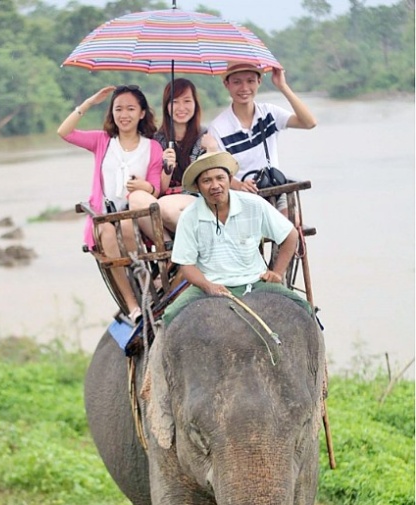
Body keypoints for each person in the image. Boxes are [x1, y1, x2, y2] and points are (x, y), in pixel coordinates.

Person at [162, 151, 312, 326]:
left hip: (255, 282)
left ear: (229, 178)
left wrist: (277, 273)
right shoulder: (189, 216)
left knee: (304, 309)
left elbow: (290, 235)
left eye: (220, 178)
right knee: (170, 316)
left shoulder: (254, 204)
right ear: (198, 186)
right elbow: (186, 265)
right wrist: (208, 286)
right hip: (211, 285)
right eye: (206, 181)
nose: (215, 185)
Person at [57, 85, 163, 323]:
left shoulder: (152, 147)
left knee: (126, 227)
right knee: (106, 230)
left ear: (142, 113)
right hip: (105, 216)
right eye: (118, 109)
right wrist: (88, 103)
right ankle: (131, 304)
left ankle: (147, 286)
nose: (124, 115)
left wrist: (144, 187)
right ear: (112, 113)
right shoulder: (102, 141)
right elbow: (64, 132)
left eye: (130, 109)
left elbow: (156, 188)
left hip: (133, 217)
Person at [207, 62, 317, 214]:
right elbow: (217, 172)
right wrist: (239, 185)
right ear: (227, 84)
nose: (244, 88)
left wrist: (283, 87)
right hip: (242, 198)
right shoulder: (218, 128)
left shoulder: (269, 113)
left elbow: (309, 122)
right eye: (237, 82)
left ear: (259, 82)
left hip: (274, 189)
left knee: (291, 226)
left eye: (250, 81)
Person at [129, 78, 219, 240]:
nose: (181, 108)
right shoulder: (157, 140)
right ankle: (169, 247)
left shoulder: (205, 136)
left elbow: (215, 182)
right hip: (165, 200)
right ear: (166, 106)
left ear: (195, 104)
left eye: (187, 101)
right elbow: (160, 189)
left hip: (197, 199)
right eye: (175, 102)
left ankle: (207, 240)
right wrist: (167, 169)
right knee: (139, 203)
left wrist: (212, 151)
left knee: (164, 208)